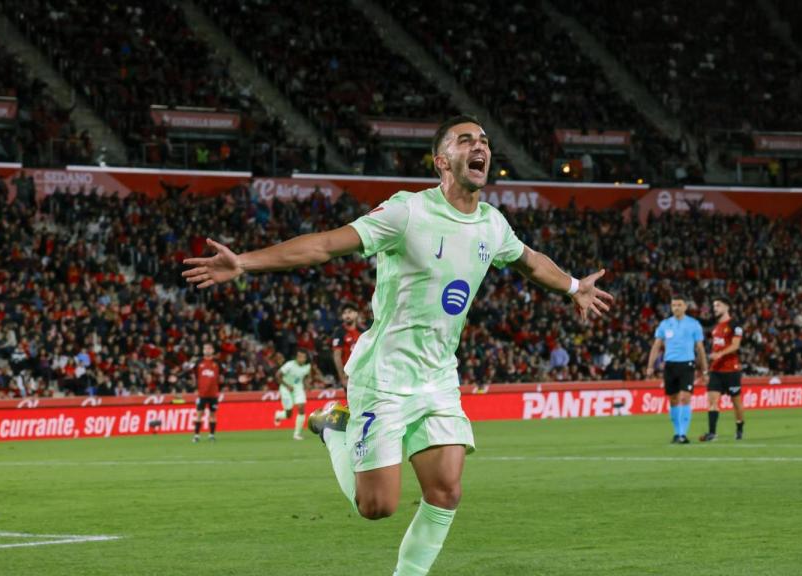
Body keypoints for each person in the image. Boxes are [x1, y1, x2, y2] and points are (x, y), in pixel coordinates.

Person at [182, 114, 613, 576]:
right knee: (377, 506)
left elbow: (530, 261)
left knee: (446, 491)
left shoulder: (492, 224)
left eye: (484, 140)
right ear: (441, 161)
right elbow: (325, 245)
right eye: (465, 140)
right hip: (384, 376)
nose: (480, 146)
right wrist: (244, 263)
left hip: (438, 376)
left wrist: (573, 287)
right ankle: (334, 427)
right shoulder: (407, 212)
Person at [646, 295, 707, 444]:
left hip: (687, 364)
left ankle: (682, 434)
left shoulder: (694, 324)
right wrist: (650, 366)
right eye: (674, 305)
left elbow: (700, 348)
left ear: (685, 306)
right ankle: (677, 433)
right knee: (673, 399)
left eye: (679, 305)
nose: (676, 308)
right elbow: (656, 346)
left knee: (685, 397)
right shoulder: (665, 324)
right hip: (670, 365)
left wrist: (704, 369)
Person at [700, 297, 746, 441]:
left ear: (727, 307)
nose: (715, 308)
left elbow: (735, 345)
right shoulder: (715, 327)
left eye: (718, 305)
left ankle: (739, 428)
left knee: (736, 402)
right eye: (714, 306)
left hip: (731, 370)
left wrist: (720, 354)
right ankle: (712, 433)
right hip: (716, 370)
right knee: (712, 401)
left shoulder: (735, 325)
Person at [274, 349, 314, 440]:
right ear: (296, 357)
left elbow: (305, 378)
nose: (301, 359)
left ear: (306, 358)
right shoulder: (289, 365)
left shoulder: (307, 366)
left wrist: (308, 385)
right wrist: (287, 386)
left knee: (301, 408)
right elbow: (277, 375)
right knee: (289, 414)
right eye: (299, 356)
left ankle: (297, 434)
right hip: (285, 389)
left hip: (298, 388)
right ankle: (279, 415)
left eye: (303, 357)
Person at [192, 342, 221, 443]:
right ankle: (196, 436)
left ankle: (211, 435)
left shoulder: (217, 362)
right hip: (202, 394)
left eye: (209, 348)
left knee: (213, 415)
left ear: (212, 350)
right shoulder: (198, 362)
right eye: (205, 348)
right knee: (199, 414)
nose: (207, 350)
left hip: (213, 394)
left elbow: (222, 375)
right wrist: (195, 387)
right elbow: (193, 375)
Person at [332, 302, 363, 391]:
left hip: (362, 374)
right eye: (344, 313)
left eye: (349, 312)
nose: (347, 315)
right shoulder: (339, 332)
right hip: (348, 375)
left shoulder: (363, 332)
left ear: (356, 314)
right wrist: (342, 378)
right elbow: (337, 356)